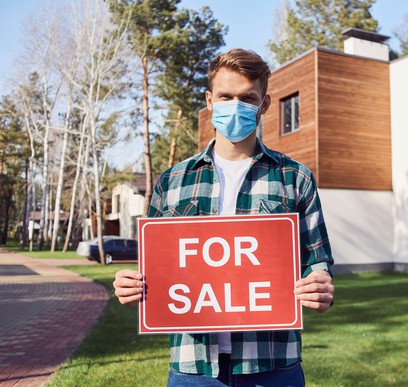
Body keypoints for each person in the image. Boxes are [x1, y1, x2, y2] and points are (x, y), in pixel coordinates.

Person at [113, 48, 334, 386]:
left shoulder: (295, 177)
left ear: (265, 104)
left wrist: (320, 287)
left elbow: (318, 263)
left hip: (273, 365)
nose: (236, 106)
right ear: (209, 100)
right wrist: (132, 288)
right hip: (194, 367)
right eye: (226, 96)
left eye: (247, 98)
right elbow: (153, 273)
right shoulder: (172, 182)